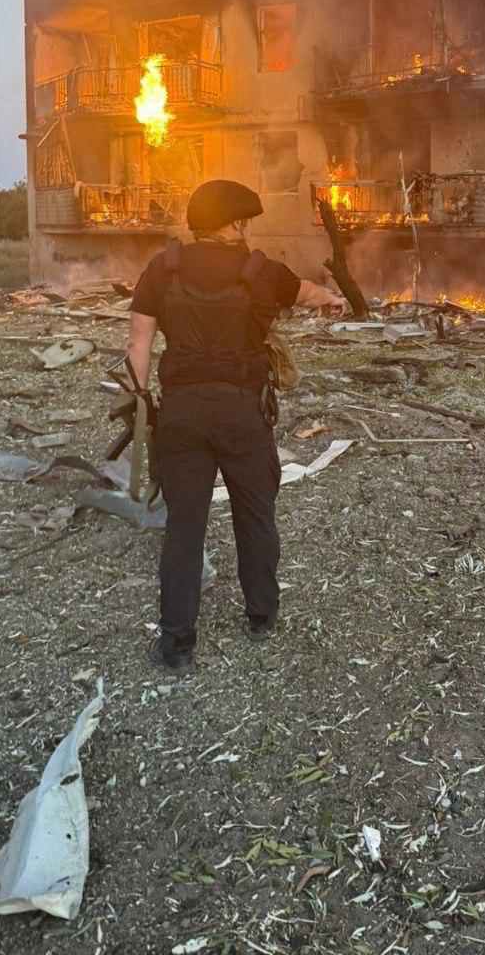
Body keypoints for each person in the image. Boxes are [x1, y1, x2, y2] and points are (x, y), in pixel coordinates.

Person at [126, 179, 345, 676]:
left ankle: (176, 644)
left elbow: (138, 343)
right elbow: (306, 292)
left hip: (182, 412)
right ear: (235, 224)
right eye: (244, 222)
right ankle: (261, 616)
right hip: (243, 414)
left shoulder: (163, 268)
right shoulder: (262, 271)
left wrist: (143, 401)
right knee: (255, 515)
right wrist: (331, 298)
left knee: (184, 527)